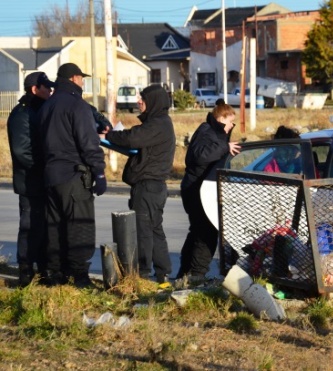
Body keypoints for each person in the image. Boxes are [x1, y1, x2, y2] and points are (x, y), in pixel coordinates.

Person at [37, 63, 107, 288]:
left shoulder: (47, 106)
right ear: (75, 78)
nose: (84, 82)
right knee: (80, 226)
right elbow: (88, 143)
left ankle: (55, 275)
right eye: (82, 78)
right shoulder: (77, 105)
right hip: (73, 176)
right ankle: (79, 277)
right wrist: (99, 171)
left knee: (55, 227)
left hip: (51, 175)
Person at [104, 84, 176, 283]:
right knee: (154, 230)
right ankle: (163, 273)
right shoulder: (158, 122)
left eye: (142, 99)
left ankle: (143, 275)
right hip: (153, 186)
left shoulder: (158, 124)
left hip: (148, 186)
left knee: (144, 231)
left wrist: (108, 136)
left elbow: (132, 138)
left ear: (152, 101)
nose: (138, 102)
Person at [176, 99, 240, 280]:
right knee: (206, 232)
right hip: (196, 189)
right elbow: (200, 155)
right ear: (221, 119)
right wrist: (225, 147)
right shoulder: (207, 131)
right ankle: (196, 275)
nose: (231, 126)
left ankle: (185, 274)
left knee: (197, 231)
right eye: (230, 122)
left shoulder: (214, 133)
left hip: (200, 187)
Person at [7, 72, 55, 286]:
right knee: (29, 226)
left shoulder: (39, 110)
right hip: (30, 181)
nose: (50, 90)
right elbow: (21, 150)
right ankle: (25, 272)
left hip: (42, 180)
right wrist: (41, 168)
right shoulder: (22, 114)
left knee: (43, 227)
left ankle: (43, 270)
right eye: (46, 87)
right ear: (35, 89)